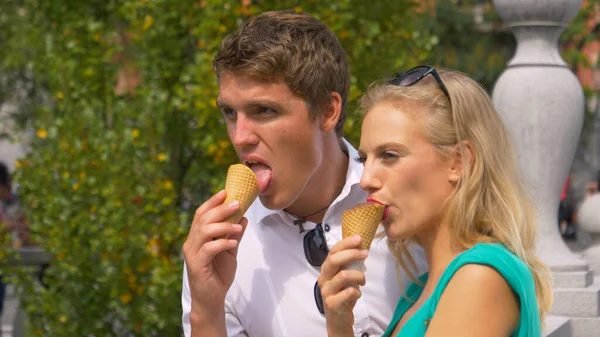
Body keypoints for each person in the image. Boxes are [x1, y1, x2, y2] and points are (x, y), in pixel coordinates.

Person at [180, 10, 426, 337]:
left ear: (327, 111)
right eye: (229, 112)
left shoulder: (415, 202)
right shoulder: (219, 252)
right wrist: (206, 309)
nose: (240, 137)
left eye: (264, 110)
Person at [318, 67, 553, 337]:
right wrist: (339, 323)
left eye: (389, 155)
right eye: (364, 159)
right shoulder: (419, 290)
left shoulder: (479, 276)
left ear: (458, 162)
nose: (366, 180)